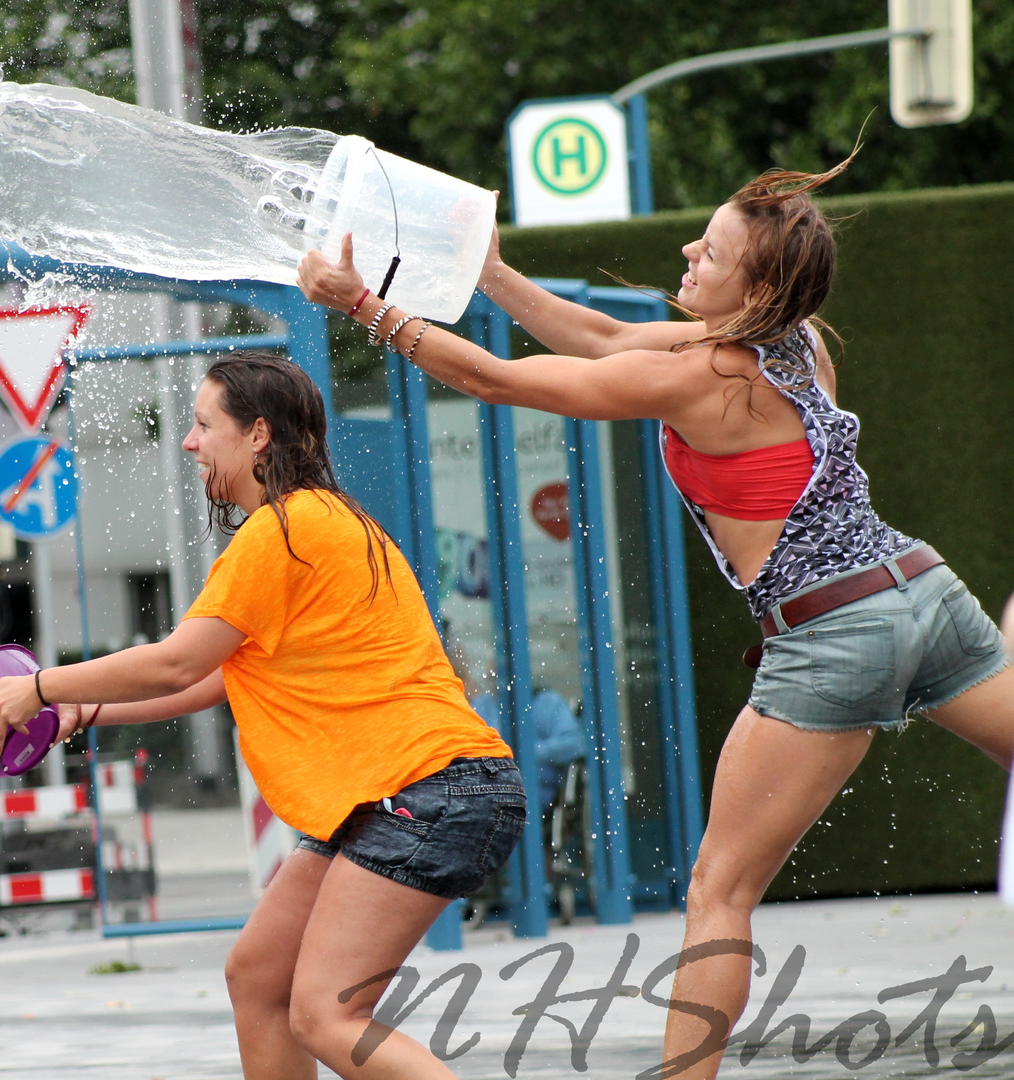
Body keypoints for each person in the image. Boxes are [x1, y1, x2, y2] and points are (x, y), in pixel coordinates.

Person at [296, 158, 1013, 1080]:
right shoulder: (800, 345)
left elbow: (495, 381)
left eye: (708, 250)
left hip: (836, 630)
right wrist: (490, 271)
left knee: (719, 891)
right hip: (925, 593)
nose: (687, 251)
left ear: (752, 289)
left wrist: (364, 305)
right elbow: (598, 334)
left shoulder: (709, 377)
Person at [0, 352, 524, 1080]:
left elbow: (175, 661)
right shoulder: (322, 523)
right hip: (398, 794)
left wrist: (38, 687)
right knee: (258, 978)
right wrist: (81, 708)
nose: (189, 442)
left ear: (258, 436)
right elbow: (218, 675)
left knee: (324, 1012)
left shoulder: (282, 532)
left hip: (424, 789)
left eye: (202, 425)